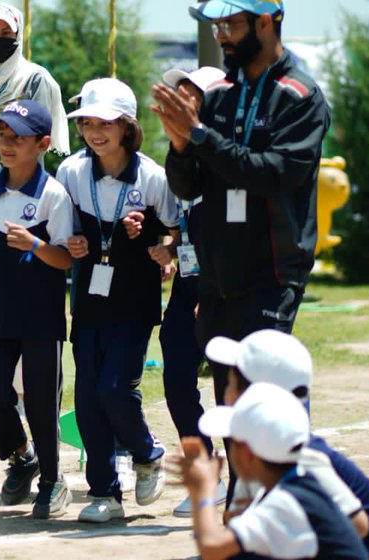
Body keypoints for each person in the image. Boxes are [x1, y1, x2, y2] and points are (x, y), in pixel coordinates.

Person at [152, 0, 330, 407]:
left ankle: (285, 470)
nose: (222, 37)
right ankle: (239, 478)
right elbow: (188, 186)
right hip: (218, 275)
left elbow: (274, 175)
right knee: (230, 397)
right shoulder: (218, 99)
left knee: (264, 389)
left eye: (230, 25)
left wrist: (199, 138)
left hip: (272, 273)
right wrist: (179, 147)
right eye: (217, 28)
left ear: (266, 23)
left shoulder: (300, 99)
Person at [56, 78, 178, 523]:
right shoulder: (69, 171)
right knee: (87, 397)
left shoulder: (152, 176)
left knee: (114, 389)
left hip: (135, 300)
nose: (94, 131)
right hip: (88, 298)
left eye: (105, 122)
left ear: (127, 126)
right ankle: (104, 493)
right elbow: (61, 230)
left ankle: (147, 454)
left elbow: (174, 231)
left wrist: (154, 240)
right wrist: (72, 243)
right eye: (87, 122)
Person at [206, 330, 369, 559]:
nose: (226, 393)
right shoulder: (258, 443)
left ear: (258, 392)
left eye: (232, 383)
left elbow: (358, 526)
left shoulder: (298, 454)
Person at [0, 99, 74, 519]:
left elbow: (65, 259)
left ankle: (51, 480)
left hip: (42, 315)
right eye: (2, 136)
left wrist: (36, 245)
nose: (6, 145)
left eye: (18, 138)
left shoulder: (54, 194)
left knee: (43, 401)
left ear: (43, 143)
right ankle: (21, 456)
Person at [174, 381, 369, 560]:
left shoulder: (286, 501)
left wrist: (203, 489)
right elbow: (360, 524)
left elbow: (212, 547)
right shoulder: (299, 481)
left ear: (247, 453)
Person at [153, 66, 228, 517]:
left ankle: (246, 482)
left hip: (224, 289)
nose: (181, 103)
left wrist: (214, 286)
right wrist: (166, 246)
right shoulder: (177, 155)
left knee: (229, 388)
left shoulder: (227, 158)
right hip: (186, 285)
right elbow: (179, 222)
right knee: (177, 379)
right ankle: (207, 476)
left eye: (191, 96)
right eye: (177, 94)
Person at [0, 3, 70, 156]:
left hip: (20, 177)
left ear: (17, 35)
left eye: (5, 33)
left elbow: (36, 138)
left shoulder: (33, 79)